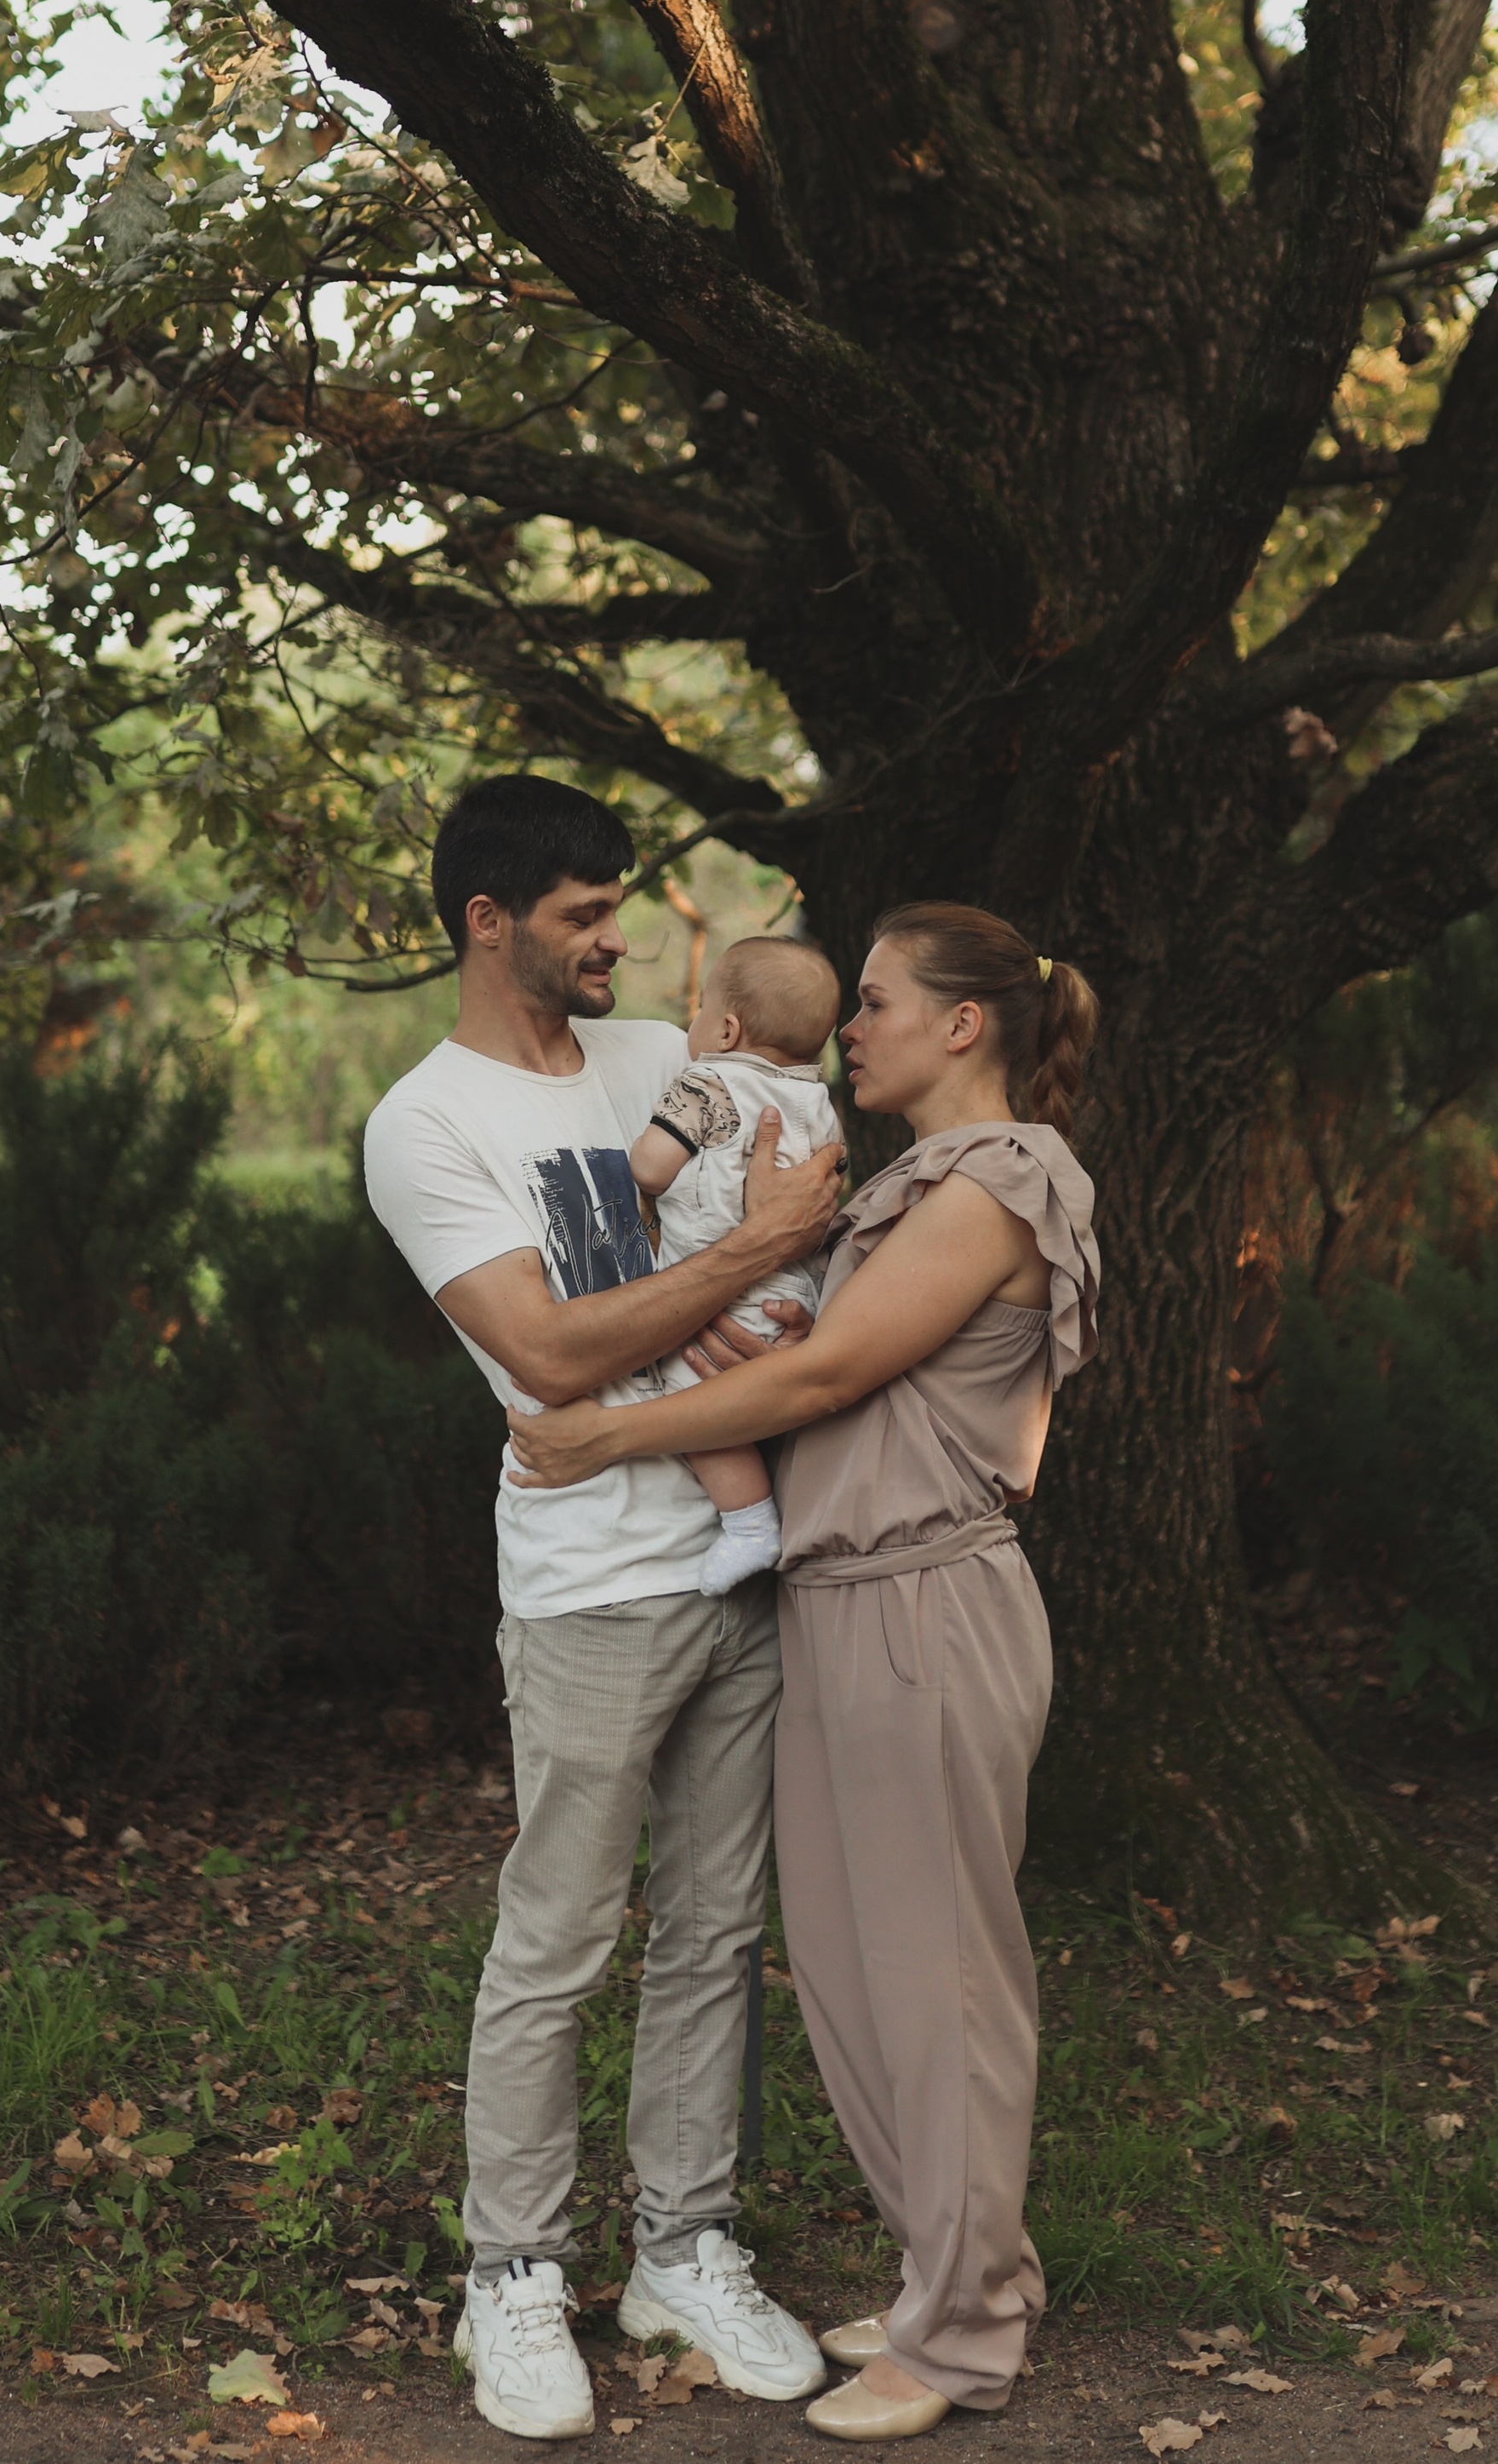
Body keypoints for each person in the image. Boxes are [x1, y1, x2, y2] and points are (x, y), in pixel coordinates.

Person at [510, 903, 1101, 2441]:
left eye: (882, 1001)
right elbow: (790, 1350)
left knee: (940, 1979)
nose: (853, 1026)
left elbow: (837, 1372)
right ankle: (948, 2276)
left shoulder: (1006, 1177)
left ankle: (964, 2334)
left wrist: (603, 1428)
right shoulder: (896, 1182)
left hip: (927, 1609)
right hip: (834, 1602)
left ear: (965, 1023)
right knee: (851, 1972)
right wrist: (706, 1328)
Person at [362, 776, 846, 2440]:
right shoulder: (425, 1123)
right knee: (556, 1940)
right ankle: (509, 2271)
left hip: (746, 1563)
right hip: (585, 1592)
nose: (613, 939)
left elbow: (798, 1206)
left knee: (715, 1930)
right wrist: (748, 1254)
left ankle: (680, 2249)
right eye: (580, 913)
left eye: (613, 910)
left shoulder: (664, 1061)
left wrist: (762, 1257)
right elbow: (552, 1352)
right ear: (486, 918)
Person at [626, 936, 845, 1594]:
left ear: (726, 1028)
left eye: (698, 1010)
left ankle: (749, 1525)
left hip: (721, 1298)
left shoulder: (707, 1080)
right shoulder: (819, 1101)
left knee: (692, 1404)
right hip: (795, 1300)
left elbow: (650, 1166)